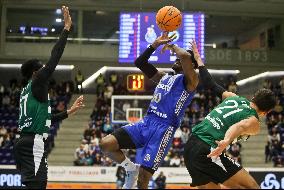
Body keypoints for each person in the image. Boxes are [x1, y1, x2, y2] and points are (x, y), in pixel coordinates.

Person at [100, 32, 199, 189]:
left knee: (143, 180)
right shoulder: (163, 77)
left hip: (163, 130)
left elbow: (186, 56)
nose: (177, 60)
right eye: (176, 58)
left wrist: (172, 45)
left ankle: (137, 175)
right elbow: (140, 62)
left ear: (192, 66)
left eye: (179, 60)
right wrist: (154, 45)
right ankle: (130, 169)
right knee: (106, 144)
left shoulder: (191, 82)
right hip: (146, 123)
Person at [183, 40, 276, 189]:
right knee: (252, 187)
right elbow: (239, 127)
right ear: (266, 112)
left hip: (189, 146)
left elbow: (210, 84)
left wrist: (198, 58)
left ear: (253, 97)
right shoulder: (254, 121)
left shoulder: (233, 97)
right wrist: (226, 141)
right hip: (208, 149)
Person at [14, 6, 85, 189]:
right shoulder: (37, 80)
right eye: (43, 67)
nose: (47, 68)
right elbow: (55, 56)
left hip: (23, 142)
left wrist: (69, 112)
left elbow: (46, 119)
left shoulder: (26, 91)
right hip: (33, 143)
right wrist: (67, 28)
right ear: (36, 72)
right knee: (38, 185)